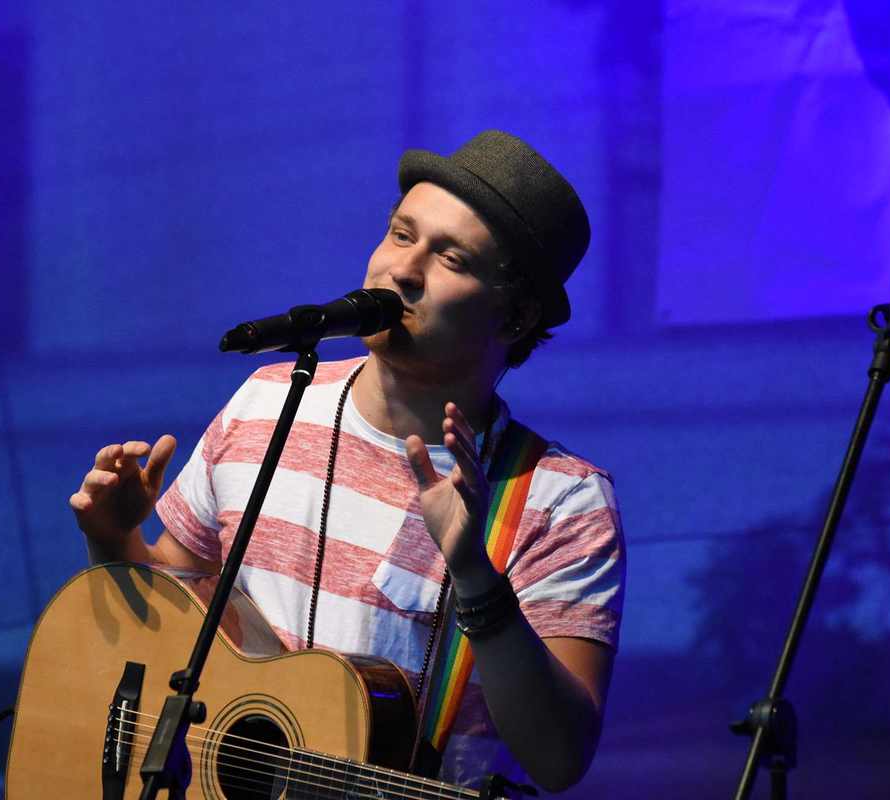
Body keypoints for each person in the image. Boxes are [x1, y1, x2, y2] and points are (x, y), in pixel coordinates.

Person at [70, 130, 625, 792]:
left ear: (515, 317)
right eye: (400, 234)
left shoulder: (561, 501)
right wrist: (114, 539)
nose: (403, 270)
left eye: (450, 257)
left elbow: (559, 758)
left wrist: (476, 577)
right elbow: (172, 623)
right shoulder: (266, 403)